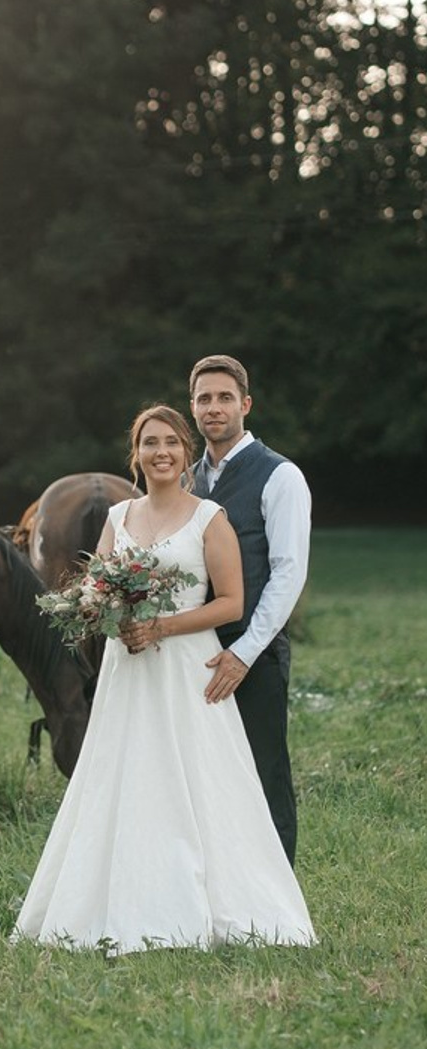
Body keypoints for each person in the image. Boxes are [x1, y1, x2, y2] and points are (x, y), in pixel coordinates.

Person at [12, 404, 314, 955]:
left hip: (184, 668)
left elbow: (230, 603)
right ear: (137, 454)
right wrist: (95, 607)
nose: (162, 452)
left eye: (172, 442)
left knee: (195, 780)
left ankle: (209, 904)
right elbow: (96, 583)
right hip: (127, 669)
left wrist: (162, 626)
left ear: (185, 453)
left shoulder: (210, 517)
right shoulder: (118, 518)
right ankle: (110, 900)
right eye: (150, 442)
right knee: (123, 776)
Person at [189, 354, 310, 865]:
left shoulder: (280, 476)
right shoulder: (186, 478)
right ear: (191, 408)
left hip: (253, 653)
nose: (213, 408)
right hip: (191, 654)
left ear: (245, 404)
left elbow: (288, 572)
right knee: (203, 776)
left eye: (223, 398)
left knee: (264, 774)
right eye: (203, 399)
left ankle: (279, 898)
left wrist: (244, 652)